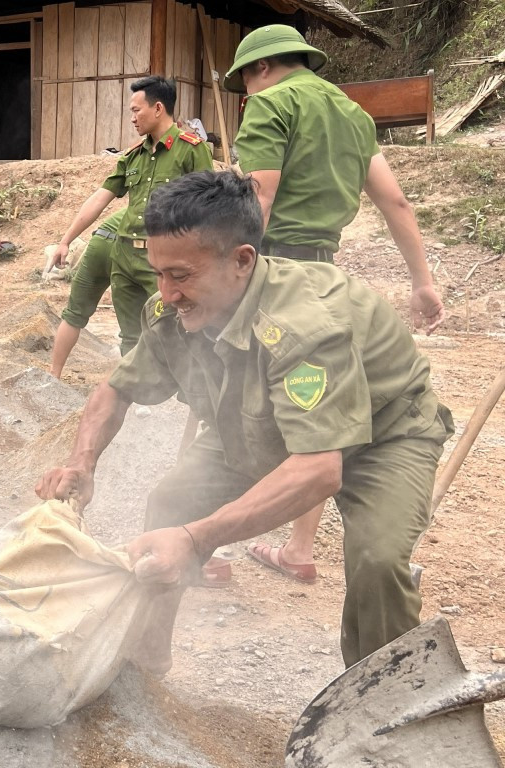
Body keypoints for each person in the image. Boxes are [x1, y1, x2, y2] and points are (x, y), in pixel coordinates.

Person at [36, 171, 452, 672]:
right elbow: (115, 390)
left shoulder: (303, 328)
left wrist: (195, 539)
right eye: (159, 274)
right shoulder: (173, 310)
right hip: (267, 424)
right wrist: (82, 462)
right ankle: (143, 658)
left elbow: (320, 469)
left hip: (383, 436)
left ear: (241, 261)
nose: (166, 293)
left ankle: (383, 702)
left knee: (378, 562)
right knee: (172, 502)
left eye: (182, 276)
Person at [221, 24, 447, 585]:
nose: (248, 90)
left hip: (269, 267)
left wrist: (231, 280)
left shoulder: (270, 103)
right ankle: (298, 549)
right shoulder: (351, 113)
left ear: (263, 68)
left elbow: (259, 198)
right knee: (318, 415)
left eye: (246, 79)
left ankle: (197, 541)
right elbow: (393, 199)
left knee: (221, 390)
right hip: (324, 277)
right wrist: (422, 281)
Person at [50, 76, 214, 356]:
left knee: (178, 330)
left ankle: (187, 395)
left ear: (158, 108)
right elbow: (100, 197)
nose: (133, 118)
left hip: (164, 261)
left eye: (136, 111)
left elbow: (208, 206)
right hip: (124, 256)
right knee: (130, 337)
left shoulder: (191, 150)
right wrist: (66, 240)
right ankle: (141, 399)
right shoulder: (133, 157)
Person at [49, 209, 124, 378]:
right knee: (135, 324)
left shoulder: (137, 202)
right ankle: (130, 383)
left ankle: (54, 374)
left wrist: (65, 242)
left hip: (99, 241)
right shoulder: (180, 210)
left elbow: (97, 202)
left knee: (73, 315)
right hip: (129, 248)